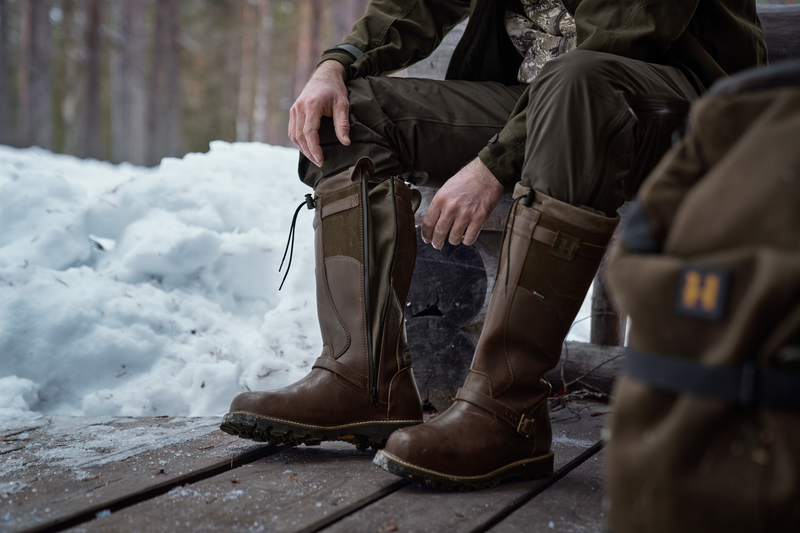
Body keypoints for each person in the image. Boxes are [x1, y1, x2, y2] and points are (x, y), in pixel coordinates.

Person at [221, 0, 767, 490]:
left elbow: (619, 39)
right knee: (356, 115)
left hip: (687, 113)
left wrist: (491, 167)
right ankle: (361, 378)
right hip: (543, 105)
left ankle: (509, 410)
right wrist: (336, 63)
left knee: (575, 82)